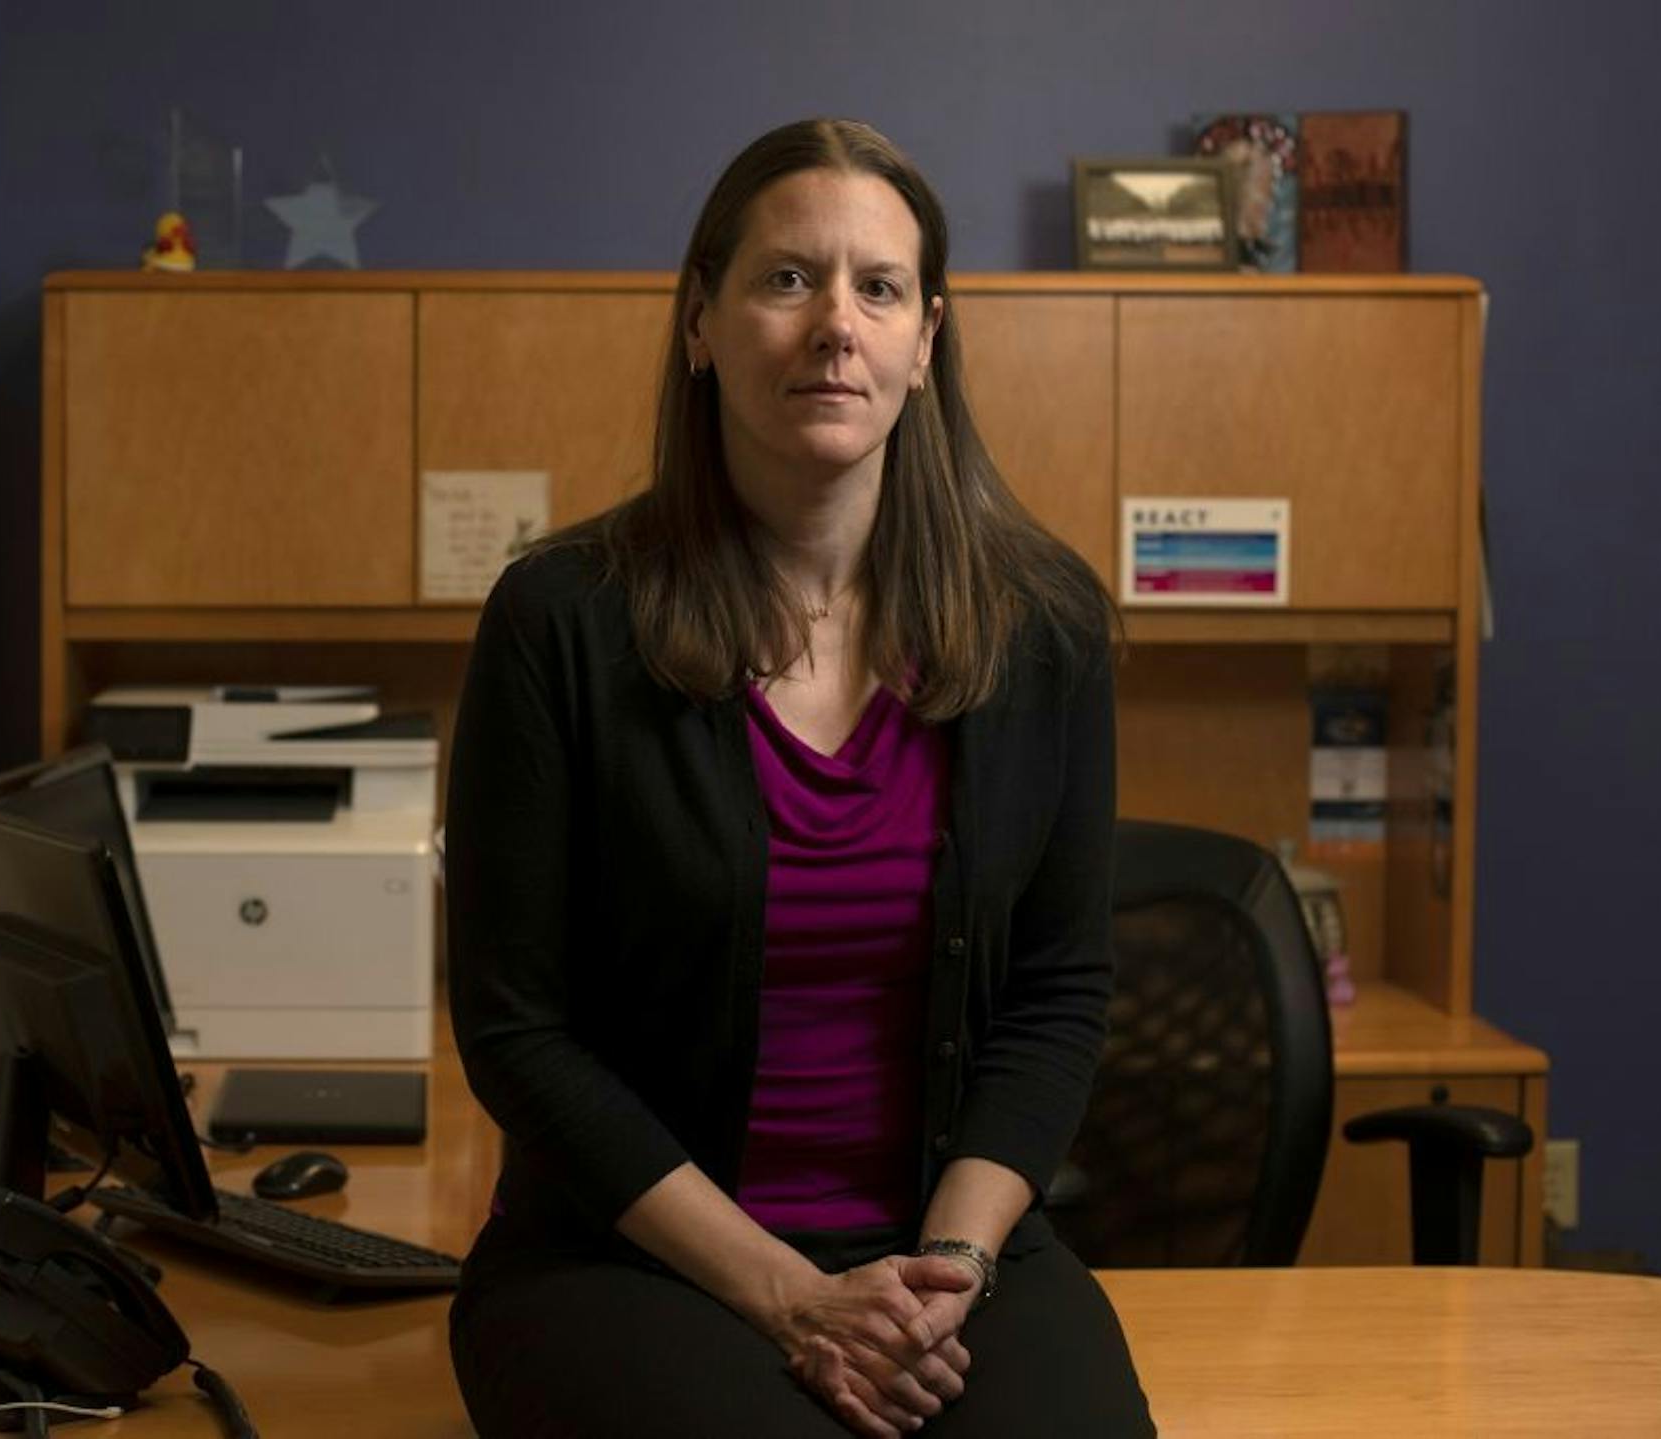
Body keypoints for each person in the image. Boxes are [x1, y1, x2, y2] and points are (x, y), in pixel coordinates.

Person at [445, 118, 1152, 1438]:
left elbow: (1059, 997)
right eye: (786, 280)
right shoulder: (562, 621)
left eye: (878, 288)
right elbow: (516, 1034)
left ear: (925, 341)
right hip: (631, 1258)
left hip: (950, 1256)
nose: (837, 323)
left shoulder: (1043, 628)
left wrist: (948, 1275)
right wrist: (791, 1297)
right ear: (701, 322)